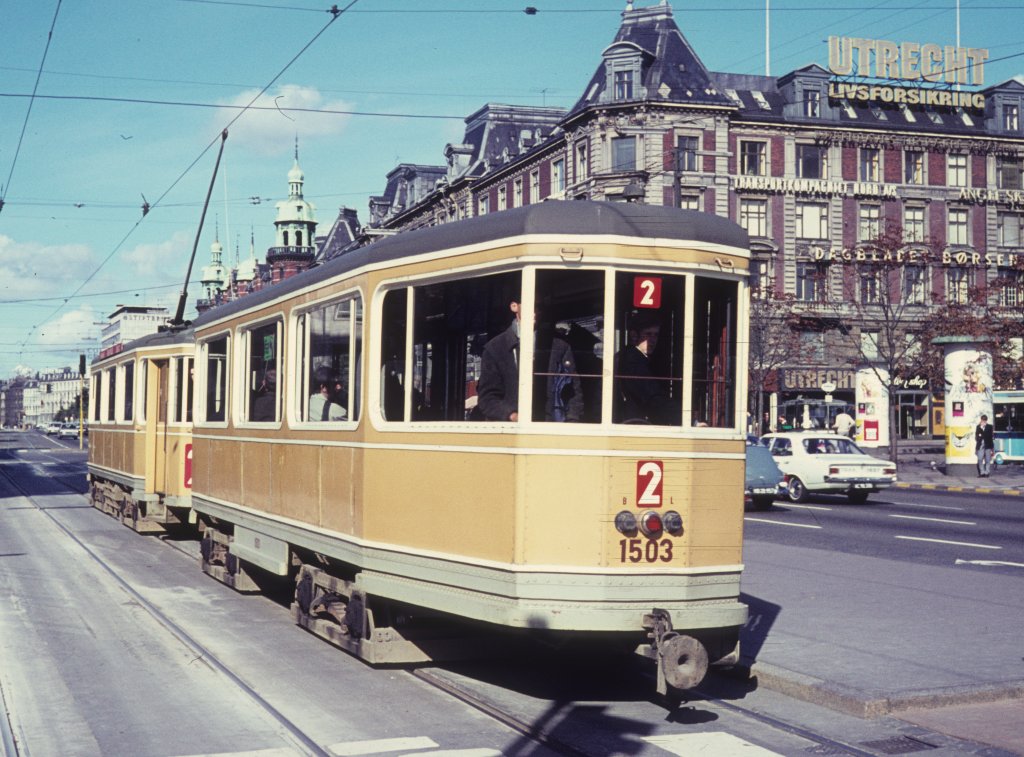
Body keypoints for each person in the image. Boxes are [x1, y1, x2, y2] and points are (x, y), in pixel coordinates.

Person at [476, 298, 582, 422]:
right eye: (530, 304)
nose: (535, 311)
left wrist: (570, 424)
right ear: (514, 306)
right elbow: (487, 398)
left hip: (551, 432)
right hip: (511, 434)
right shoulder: (494, 348)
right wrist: (513, 416)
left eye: (538, 306)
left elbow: (574, 393)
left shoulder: (560, 347)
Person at [614, 311, 678, 425]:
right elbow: (652, 395)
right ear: (634, 336)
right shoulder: (633, 361)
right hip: (634, 424)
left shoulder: (634, 357)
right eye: (648, 334)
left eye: (656, 335)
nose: (653, 340)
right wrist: (687, 420)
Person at [975, 413, 995, 477]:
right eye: (982, 420)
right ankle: (982, 472)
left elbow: (990, 436)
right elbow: (977, 437)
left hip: (988, 445)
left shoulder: (990, 427)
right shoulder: (978, 427)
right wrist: (981, 428)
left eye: (984, 420)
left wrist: (992, 448)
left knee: (987, 459)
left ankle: (987, 472)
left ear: (986, 421)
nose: (983, 421)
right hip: (980, 445)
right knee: (980, 459)